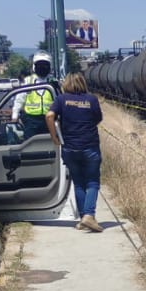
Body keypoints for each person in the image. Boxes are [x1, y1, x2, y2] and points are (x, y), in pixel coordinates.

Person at [46, 73, 104, 232]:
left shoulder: (61, 100)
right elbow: (98, 119)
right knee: (92, 182)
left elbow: (49, 116)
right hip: (90, 146)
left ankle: (82, 219)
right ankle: (89, 215)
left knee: (78, 182)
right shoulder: (91, 99)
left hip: (70, 148)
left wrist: (54, 137)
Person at [19, 52, 55, 139]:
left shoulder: (53, 82)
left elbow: (59, 100)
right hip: (31, 120)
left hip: (49, 119)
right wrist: (15, 116)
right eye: (39, 65)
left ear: (50, 67)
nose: (42, 68)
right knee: (30, 146)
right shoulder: (28, 81)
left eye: (45, 65)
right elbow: (19, 99)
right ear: (34, 67)